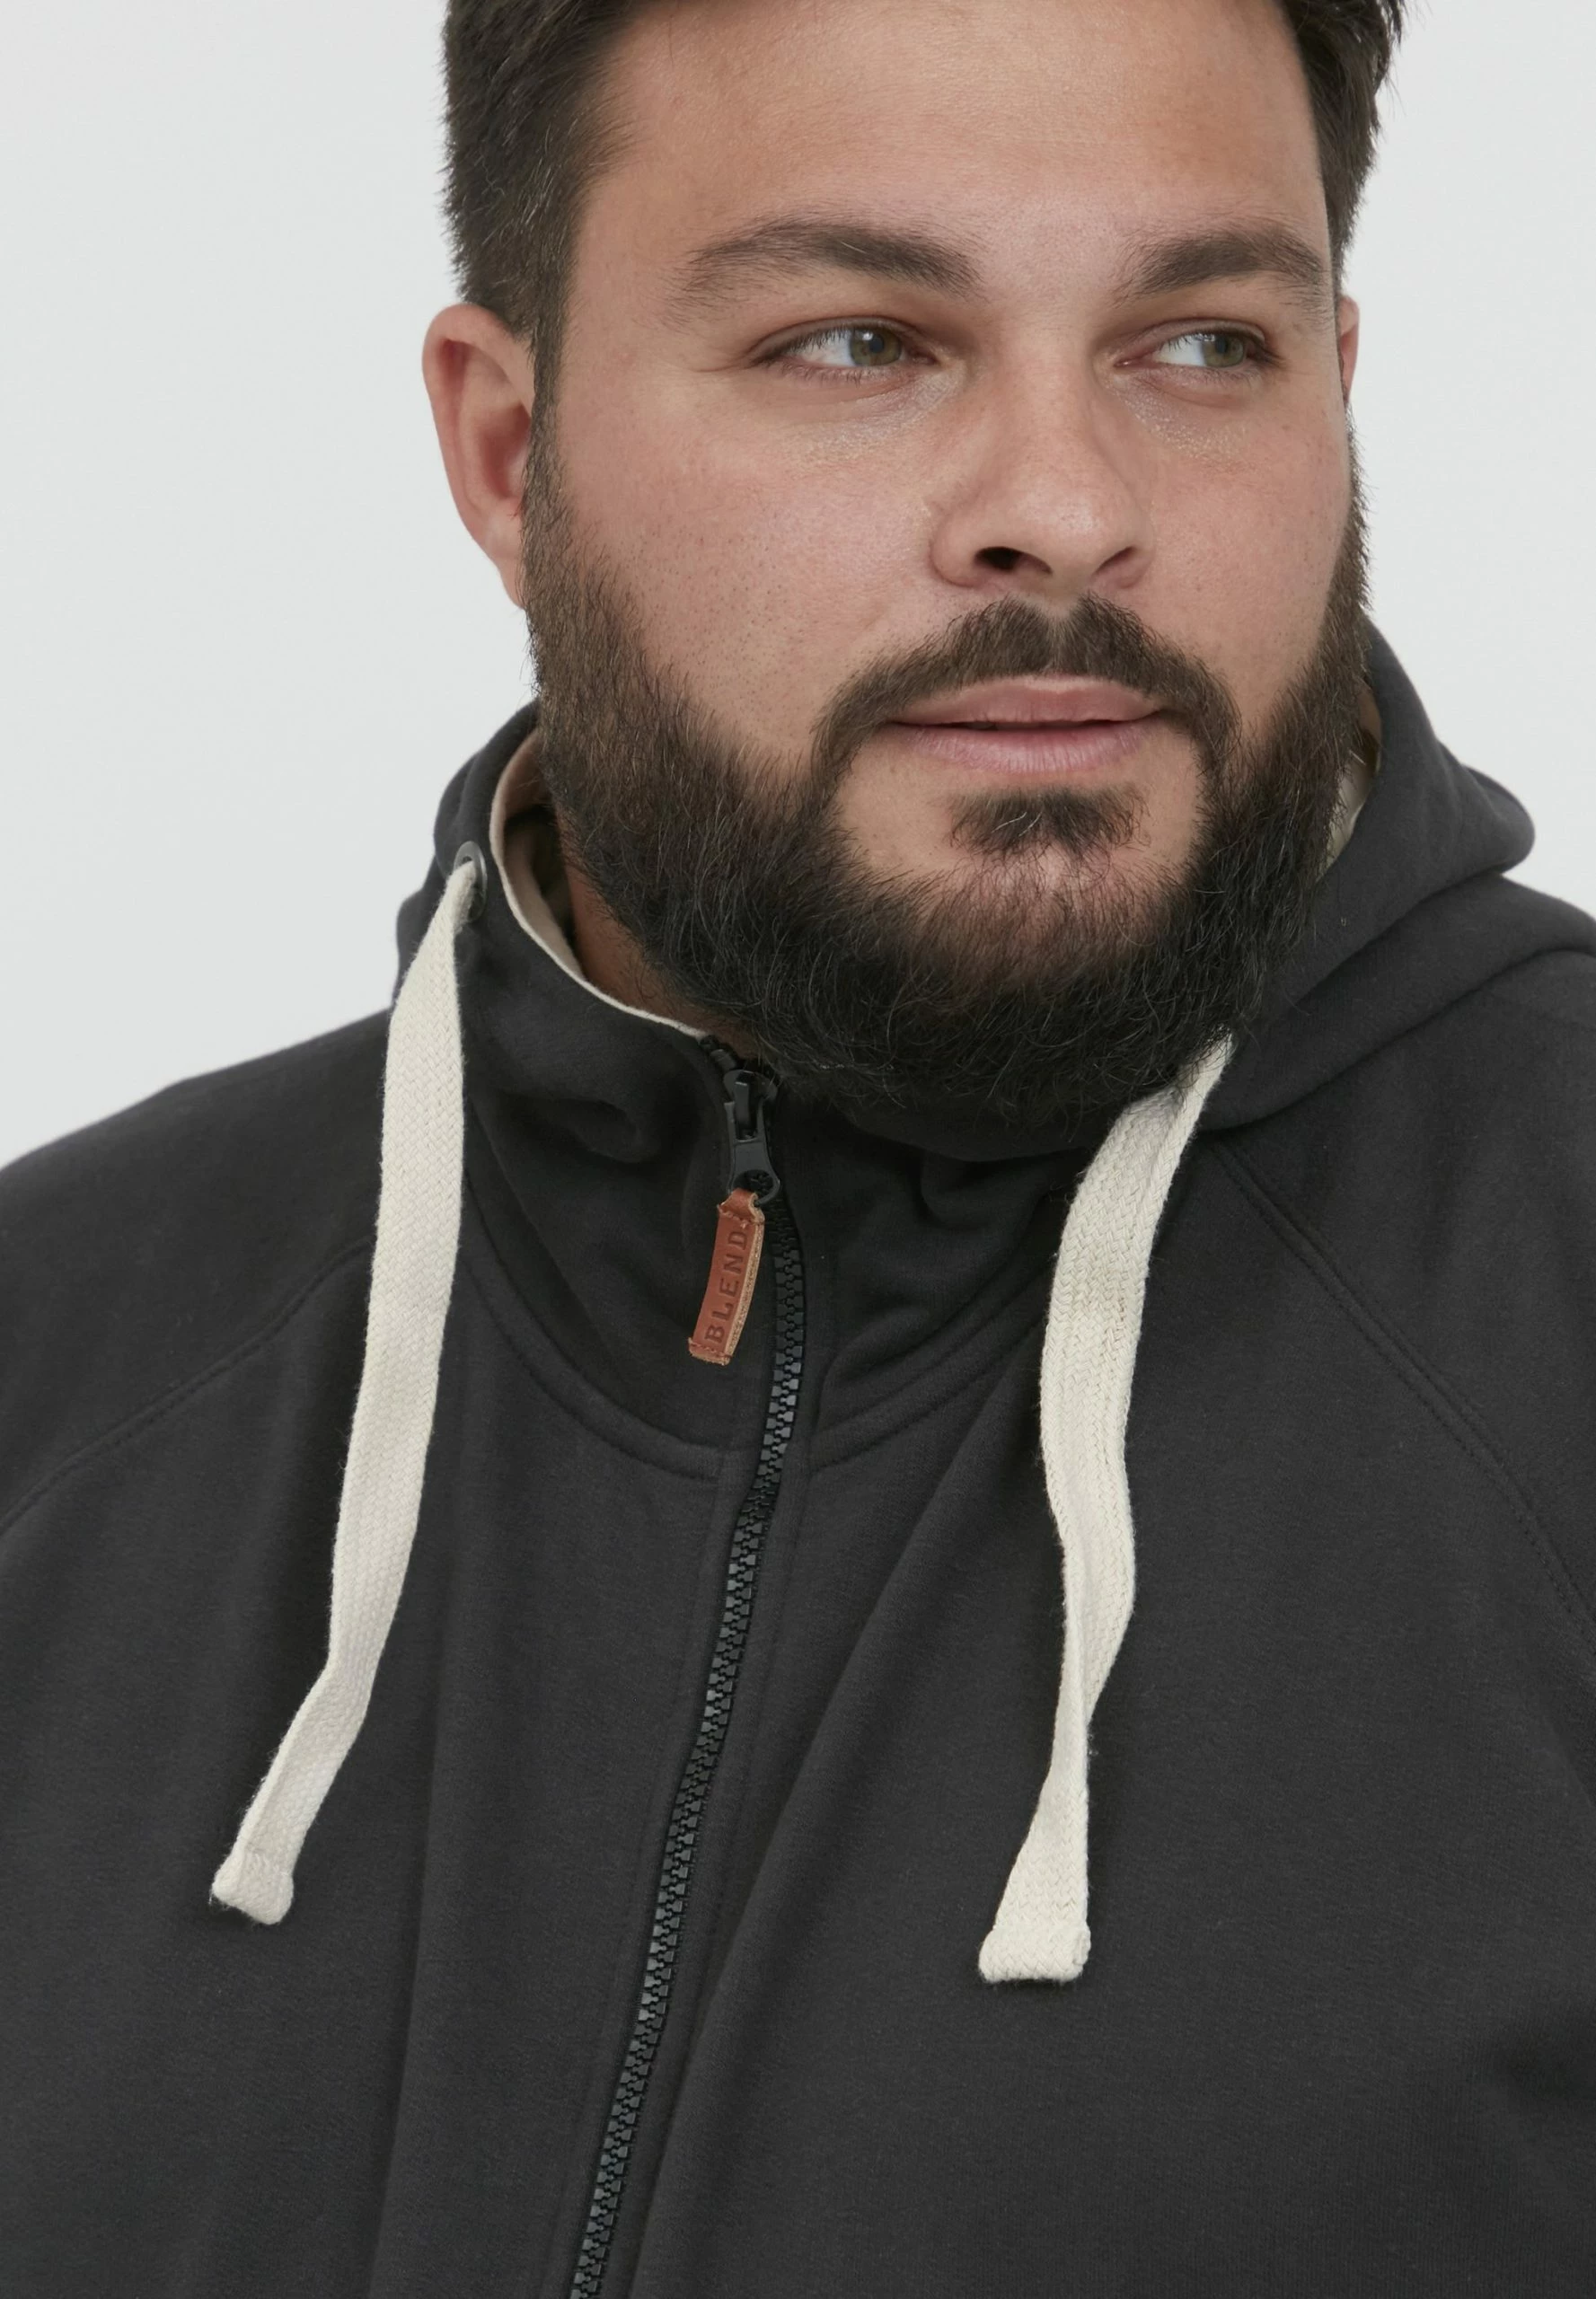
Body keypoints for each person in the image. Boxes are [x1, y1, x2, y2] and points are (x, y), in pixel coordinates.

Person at [4, 0, 1595, 2288]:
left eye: (1201, 344)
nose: (1068, 502)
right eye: (860, 341)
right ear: (510, 452)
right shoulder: (56, 1356)